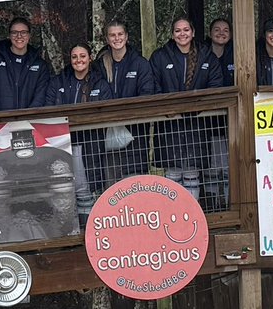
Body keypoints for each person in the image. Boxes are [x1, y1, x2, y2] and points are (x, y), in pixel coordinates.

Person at [149, 17, 225, 198]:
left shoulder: (207, 56)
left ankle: (192, 217)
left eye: (185, 30)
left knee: (192, 173)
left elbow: (215, 85)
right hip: (169, 124)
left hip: (197, 124)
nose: (182, 34)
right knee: (172, 173)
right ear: (172, 34)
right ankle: (173, 216)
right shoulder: (160, 56)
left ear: (193, 33)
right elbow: (153, 86)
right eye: (178, 30)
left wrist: (196, 108)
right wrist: (168, 109)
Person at [46, 43, 113, 226]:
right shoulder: (58, 81)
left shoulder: (100, 83)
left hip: (88, 145)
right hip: (60, 145)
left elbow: (105, 112)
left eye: (82, 56)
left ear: (90, 58)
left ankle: (87, 231)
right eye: (75, 56)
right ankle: (66, 233)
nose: (78, 60)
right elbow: (48, 109)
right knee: (62, 192)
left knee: (84, 191)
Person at [96, 21, 156, 183]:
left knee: (136, 181)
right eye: (112, 35)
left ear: (127, 36)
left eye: (120, 34)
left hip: (136, 132)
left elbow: (147, 93)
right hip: (108, 132)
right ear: (107, 39)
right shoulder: (100, 65)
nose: (117, 38)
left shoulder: (140, 63)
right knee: (113, 184)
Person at [0, 16, 51, 112]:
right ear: (9, 35)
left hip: (29, 122)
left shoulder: (40, 65)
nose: (19, 36)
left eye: (23, 32)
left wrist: (29, 118)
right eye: (14, 32)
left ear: (29, 36)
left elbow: (40, 96)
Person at [209, 18, 235, 87]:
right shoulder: (202, 55)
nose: (221, 33)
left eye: (225, 31)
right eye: (217, 30)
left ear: (230, 35)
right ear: (210, 33)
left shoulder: (235, 54)